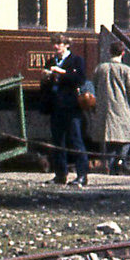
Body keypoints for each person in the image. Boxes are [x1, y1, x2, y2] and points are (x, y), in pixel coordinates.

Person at [41, 33, 90, 186]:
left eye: (59, 43)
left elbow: (80, 79)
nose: (56, 46)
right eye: (54, 44)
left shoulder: (76, 60)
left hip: (71, 106)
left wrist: (61, 73)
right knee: (58, 142)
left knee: (75, 140)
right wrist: (46, 78)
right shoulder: (50, 62)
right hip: (56, 106)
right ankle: (60, 175)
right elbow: (45, 86)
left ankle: (82, 175)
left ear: (67, 45)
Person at [94, 41, 130, 175]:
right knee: (128, 137)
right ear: (123, 53)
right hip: (123, 109)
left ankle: (110, 166)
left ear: (109, 52)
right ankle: (120, 161)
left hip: (106, 110)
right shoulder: (126, 70)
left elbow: (95, 86)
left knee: (110, 139)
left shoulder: (100, 68)